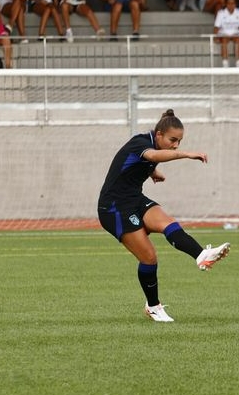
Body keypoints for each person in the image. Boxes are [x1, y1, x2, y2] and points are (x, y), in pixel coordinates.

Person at [97, 109, 231, 322]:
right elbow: (152, 155)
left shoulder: (155, 144)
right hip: (114, 208)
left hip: (134, 199)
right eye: (173, 140)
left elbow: (139, 162)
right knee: (149, 258)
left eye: (180, 141)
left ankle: (201, 256)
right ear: (158, 135)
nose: (176, 145)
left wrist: (151, 172)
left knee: (168, 223)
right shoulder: (141, 143)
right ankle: (153, 306)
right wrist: (186, 154)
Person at [214, 0, 239, 67]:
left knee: (238, 40)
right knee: (224, 40)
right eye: (229, 3)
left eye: (233, 3)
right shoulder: (221, 13)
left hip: (235, 32)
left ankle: (238, 63)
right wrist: (215, 37)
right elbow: (216, 26)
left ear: (236, 4)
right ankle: (225, 63)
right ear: (226, 4)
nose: (231, 5)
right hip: (224, 33)